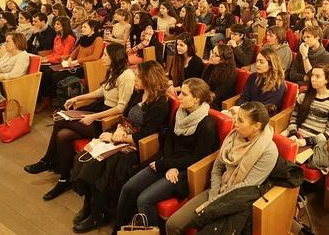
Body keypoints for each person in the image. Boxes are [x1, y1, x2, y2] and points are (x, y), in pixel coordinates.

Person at [24, 44, 135, 200]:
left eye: (105, 55)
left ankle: (47, 160)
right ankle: (64, 179)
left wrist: (93, 117)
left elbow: (121, 108)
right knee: (63, 135)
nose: (102, 58)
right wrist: (77, 98)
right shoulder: (114, 72)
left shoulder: (127, 76)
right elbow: (101, 92)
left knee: (61, 120)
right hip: (100, 112)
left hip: (108, 122)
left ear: (115, 57)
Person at [71, 60, 170, 233]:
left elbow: (147, 134)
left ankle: (98, 214)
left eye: (139, 76)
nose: (135, 78)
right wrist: (118, 129)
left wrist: (122, 138)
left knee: (105, 165)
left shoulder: (160, 102)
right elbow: (124, 116)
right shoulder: (138, 93)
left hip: (137, 146)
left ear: (149, 78)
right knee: (88, 158)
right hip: (121, 133)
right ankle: (89, 204)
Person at [114, 78, 218, 230]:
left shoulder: (207, 124)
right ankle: (118, 228)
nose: (179, 96)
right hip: (169, 161)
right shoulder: (180, 112)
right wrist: (168, 163)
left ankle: (153, 232)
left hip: (185, 171)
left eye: (184, 94)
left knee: (144, 200)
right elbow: (169, 141)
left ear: (196, 99)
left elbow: (196, 158)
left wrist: (168, 164)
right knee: (129, 187)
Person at [166, 101, 278, 235]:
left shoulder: (269, 151)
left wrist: (214, 202)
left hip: (236, 201)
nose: (235, 122)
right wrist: (214, 193)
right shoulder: (234, 135)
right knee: (172, 224)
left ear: (256, 126)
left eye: (240, 120)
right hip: (217, 189)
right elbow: (218, 167)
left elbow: (247, 186)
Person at [285, 64, 329, 171]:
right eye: (312, 76)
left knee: (288, 162)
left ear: (327, 80)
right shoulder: (304, 95)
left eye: (317, 76)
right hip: (296, 136)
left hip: (314, 143)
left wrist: (306, 141)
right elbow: (294, 116)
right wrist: (293, 133)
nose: (313, 79)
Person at [235, 48, 286, 117]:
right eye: (257, 61)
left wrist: (246, 113)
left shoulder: (278, 84)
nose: (257, 65)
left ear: (271, 65)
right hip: (247, 112)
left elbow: (265, 109)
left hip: (262, 117)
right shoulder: (253, 77)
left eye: (261, 62)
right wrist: (240, 109)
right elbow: (244, 97)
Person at [202, 44, 237, 110]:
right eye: (212, 52)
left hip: (219, 103)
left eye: (216, 55)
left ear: (223, 60)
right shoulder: (210, 66)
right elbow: (202, 83)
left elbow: (216, 96)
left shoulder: (229, 74)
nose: (211, 55)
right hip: (207, 97)